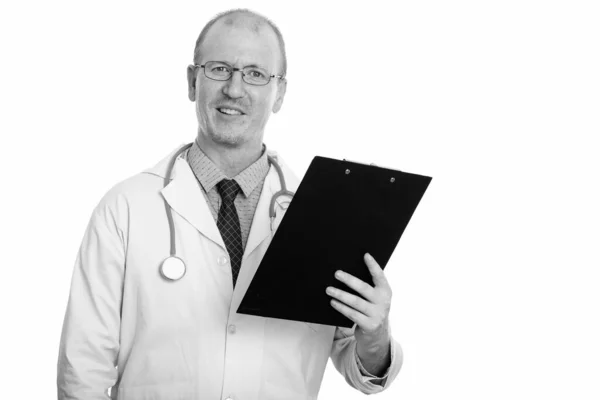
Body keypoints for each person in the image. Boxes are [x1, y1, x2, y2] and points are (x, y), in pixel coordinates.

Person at [57, 8, 403, 400]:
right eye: (220, 69)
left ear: (280, 92)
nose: (235, 89)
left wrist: (375, 333)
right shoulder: (126, 207)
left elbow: (361, 369)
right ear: (192, 81)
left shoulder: (327, 214)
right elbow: (82, 369)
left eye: (256, 74)